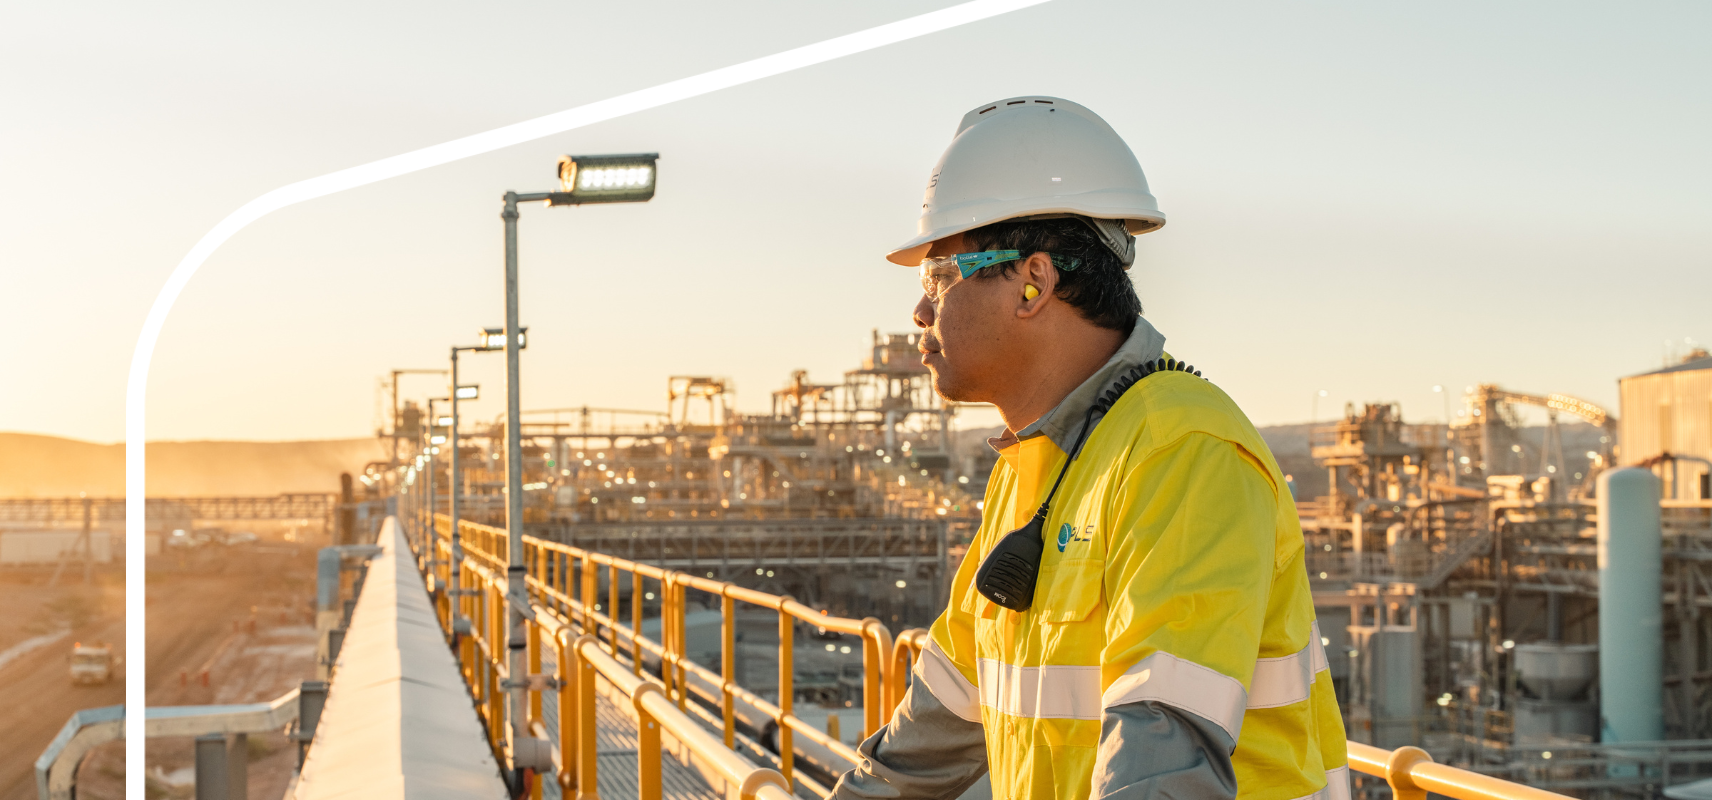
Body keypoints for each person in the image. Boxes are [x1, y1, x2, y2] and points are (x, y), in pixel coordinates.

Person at [827, 97, 1349, 800]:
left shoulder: (1182, 453)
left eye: (940, 276)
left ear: (1033, 282)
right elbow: (943, 715)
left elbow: (1160, 763)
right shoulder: (1035, 469)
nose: (919, 312)